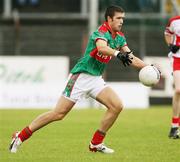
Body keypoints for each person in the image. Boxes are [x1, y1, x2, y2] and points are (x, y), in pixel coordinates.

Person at [9, 5, 149, 154]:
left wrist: (149, 68)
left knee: (117, 106)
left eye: (123, 18)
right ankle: (20, 136)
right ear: (109, 19)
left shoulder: (120, 37)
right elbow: (101, 48)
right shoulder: (100, 32)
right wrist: (117, 54)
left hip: (95, 79)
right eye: (119, 18)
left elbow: (130, 57)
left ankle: (96, 143)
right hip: (81, 76)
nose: (122, 21)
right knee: (58, 114)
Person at [164, 15, 180, 139]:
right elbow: (167, 33)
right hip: (177, 59)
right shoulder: (174, 21)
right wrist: (170, 45)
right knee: (178, 90)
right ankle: (174, 126)